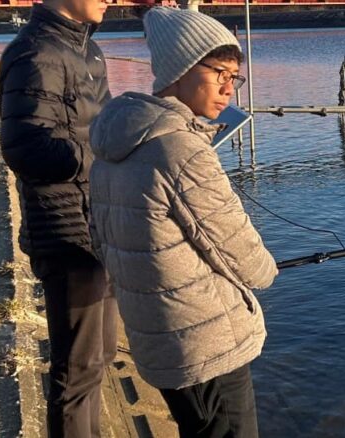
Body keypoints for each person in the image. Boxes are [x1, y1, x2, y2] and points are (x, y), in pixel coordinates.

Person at [87, 8, 277, 438]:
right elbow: (240, 250)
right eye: (221, 73)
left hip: (157, 336)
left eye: (236, 77)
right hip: (205, 342)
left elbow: (103, 241)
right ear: (182, 68)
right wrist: (269, 271)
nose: (230, 88)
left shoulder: (112, 143)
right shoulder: (181, 150)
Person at [0, 0, 115, 436]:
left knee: (101, 356)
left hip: (101, 223)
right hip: (66, 232)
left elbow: (100, 127)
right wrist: (107, 157)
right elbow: (25, 148)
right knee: (78, 369)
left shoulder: (87, 50)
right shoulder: (37, 52)